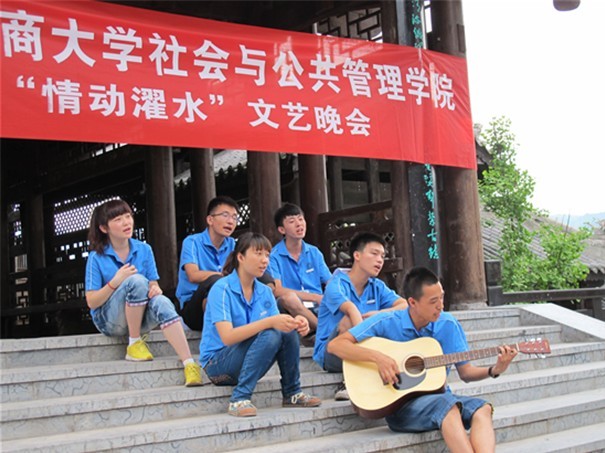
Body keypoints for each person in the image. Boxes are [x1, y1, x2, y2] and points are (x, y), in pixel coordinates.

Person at [328, 267, 518, 452]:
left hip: (443, 399)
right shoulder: (387, 322)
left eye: (442, 297)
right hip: (401, 407)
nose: (441, 306)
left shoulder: (448, 324)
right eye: (433, 301)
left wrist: (495, 370)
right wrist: (379, 358)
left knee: (482, 409)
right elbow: (336, 345)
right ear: (412, 302)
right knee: (448, 407)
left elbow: (466, 373)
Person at [200, 232, 322, 417]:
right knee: (271, 332)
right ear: (240, 257)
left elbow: (278, 327)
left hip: (249, 360)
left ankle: (292, 392)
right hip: (217, 366)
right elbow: (228, 337)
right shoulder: (222, 289)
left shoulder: (265, 291)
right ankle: (239, 399)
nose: (264, 260)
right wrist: (270, 321)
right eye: (258, 253)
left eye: (267, 255)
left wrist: (298, 323)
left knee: (285, 332)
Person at [84, 199, 202, 387]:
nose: (126, 222)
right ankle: (134, 343)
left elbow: (153, 284)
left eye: (128, 216)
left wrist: (155, 289)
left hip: (139, 317)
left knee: (162, 301)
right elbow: (92, 302)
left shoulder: (144, 249)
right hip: (109, 321)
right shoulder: (96, 257)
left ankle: (189, 364)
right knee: (136, 280)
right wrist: (116, 281)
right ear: (104, 228)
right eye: (118, 219)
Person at [313, 232, 408, 400]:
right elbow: (352, 311)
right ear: (357, 256)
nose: (380, 260)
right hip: (333, 353)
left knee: (390, 319)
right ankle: (348, 382)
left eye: (382, 256)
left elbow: (404, 305)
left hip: (367, 352)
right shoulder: (336, 284)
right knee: (350, 320)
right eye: (374, 253)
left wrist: (379, 314)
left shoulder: (377, 286)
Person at [176, 196, 238, 331]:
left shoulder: (233, 245)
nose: (230, 221)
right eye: (225, 215)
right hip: (193, 307)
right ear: (210, 220)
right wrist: (221, 276)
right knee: (216, 281)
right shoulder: (192, 242)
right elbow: (193, 275)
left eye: (234, 217)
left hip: (226, 300)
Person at [269, 203, 331, 337]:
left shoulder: (314, 252)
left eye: (301, 219)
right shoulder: (273, 256)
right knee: (289, 298)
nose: (299, 224)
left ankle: (316, 331)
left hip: (318, 307)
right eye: (292, 221)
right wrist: (315, 297)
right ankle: (324, 333)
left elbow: (330, 281)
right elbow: (277, 290)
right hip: (292, 308)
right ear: (282, 229)